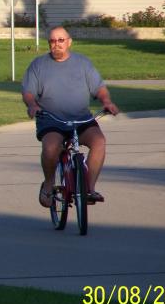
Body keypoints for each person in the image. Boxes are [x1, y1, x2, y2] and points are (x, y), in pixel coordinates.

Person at [21, 26, 119, 208]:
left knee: (99, 142)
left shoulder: (83, 63)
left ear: (69, 42)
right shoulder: (38, 65)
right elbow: (28, 92)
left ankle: (89, 188)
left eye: (61, 40)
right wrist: (32, 105)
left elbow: (99, 87)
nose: (56, 44)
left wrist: (106, 101)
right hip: (51, 120)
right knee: (50, 147)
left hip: (81, 119)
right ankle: (49, 184)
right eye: (52, 41)